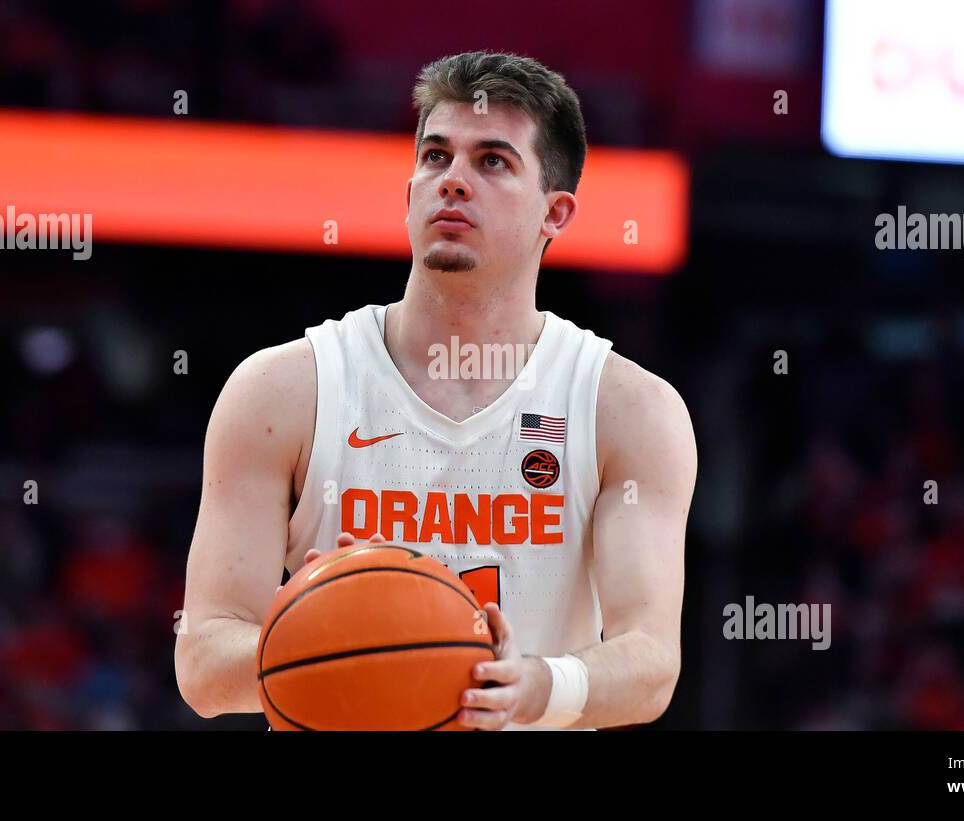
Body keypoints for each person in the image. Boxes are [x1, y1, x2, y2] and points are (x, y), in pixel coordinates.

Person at [175, 50, 697, 730]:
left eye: (492, 161)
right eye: (435, 157)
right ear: (408, 194)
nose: (453, 181)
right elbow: (203, 666)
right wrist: (332, 634)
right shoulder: (281, 391)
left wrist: (532, 683)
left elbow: (651, 662)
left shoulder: (628, 409)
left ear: (556, 212)